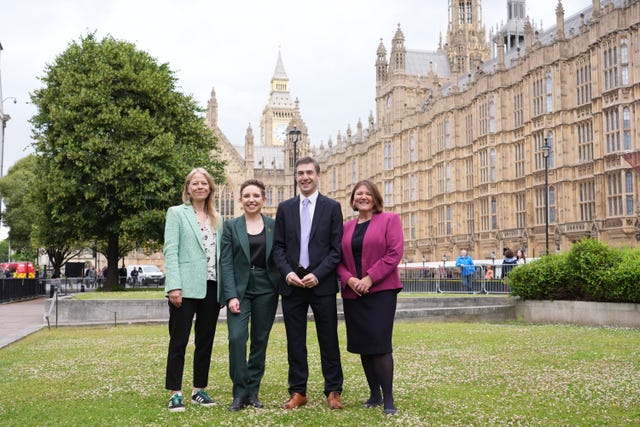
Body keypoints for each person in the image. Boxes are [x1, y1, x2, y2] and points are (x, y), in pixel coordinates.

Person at [272, 156, 345, 410]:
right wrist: (287, 273)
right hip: (292, 284)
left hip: (321, 284)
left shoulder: (332, 207)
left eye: (309, 173)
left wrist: (319, 274)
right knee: (295, 340)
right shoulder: (285, 208)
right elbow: (278, 248)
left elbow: (336, 250)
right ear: (295, 176)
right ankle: (298, 391)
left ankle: (333, 390)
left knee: (328, 338)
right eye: (300, 173)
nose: (304, 177)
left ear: (318, 175)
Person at [336, 179, 403, 415]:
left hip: (381, 291)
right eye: (358, 194)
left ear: (375, 198)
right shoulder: (346, 228)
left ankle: (389, 399)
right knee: (364, 344)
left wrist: (369, 278)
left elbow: (394, 253)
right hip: (354, 293)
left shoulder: (390, 220)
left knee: (380, 343)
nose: (362, 197)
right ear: (353, 200)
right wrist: (350, 280)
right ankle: (374, 394)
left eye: (367, 193)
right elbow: (338, 259)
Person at [163, 167, 223, 412]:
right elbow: (171, 250)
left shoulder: (217, 218)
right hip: (185, 287)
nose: (200, 187)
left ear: (210, 188)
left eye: (204, 183)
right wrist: (174, 286)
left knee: (205, 341)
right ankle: (175, 392)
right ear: (188, 188)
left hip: (212, 286)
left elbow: (220, 255)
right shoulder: (176, 213)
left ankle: (199, 390)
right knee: (179, 340)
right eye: (195, 183)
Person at [220, 179, 280, 411]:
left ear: (264, 200)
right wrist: (230, 295)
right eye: (247, 196)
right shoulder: (231, 226)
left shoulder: (274, 226)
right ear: (240, 199)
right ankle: (239, 391)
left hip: (267, 287)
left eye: (256, 196)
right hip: (240, 290)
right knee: (236, 338)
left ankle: (252, 391)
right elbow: (225, 262)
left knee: (259, 340)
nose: (251, 200)